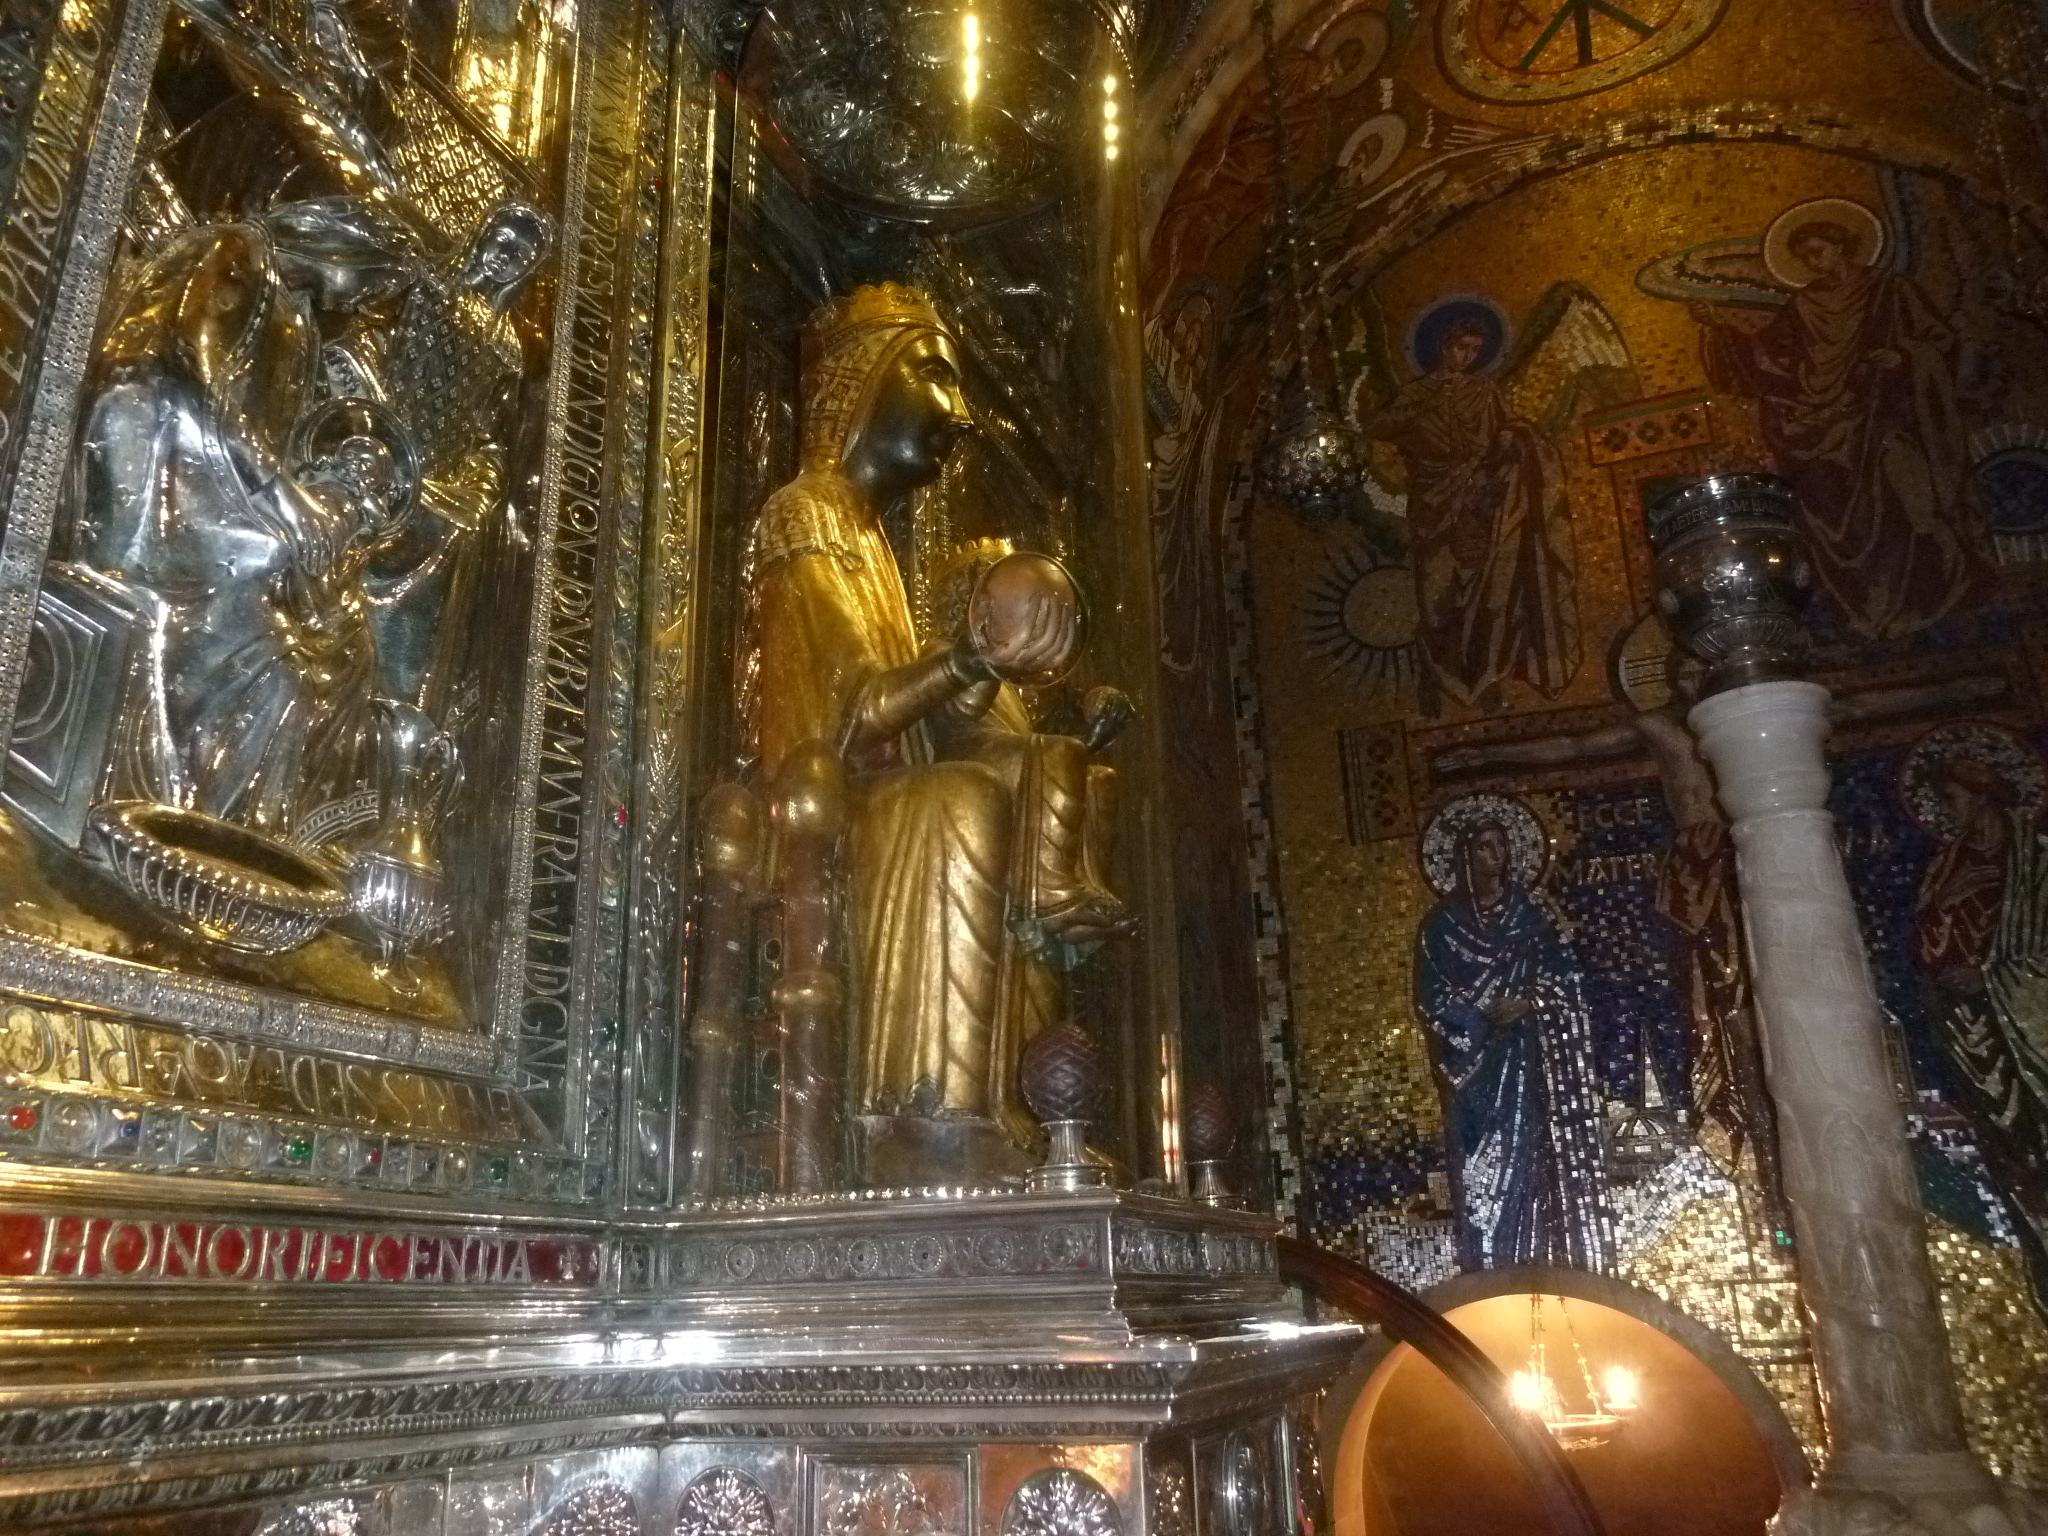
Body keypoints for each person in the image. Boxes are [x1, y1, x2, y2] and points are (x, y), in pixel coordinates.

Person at [747, 283, 1133, 1179]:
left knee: (1042, 773)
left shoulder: (873, 539)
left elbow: (920, 723)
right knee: (962, 799)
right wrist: (969, 658)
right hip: (818, 809)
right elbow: (855, 709)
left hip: (881, 791)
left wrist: (997, 670)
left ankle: (1027, 1108)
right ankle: (933, 1122)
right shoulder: (806, 513)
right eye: (935, 378)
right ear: (861, 384)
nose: (958, 415)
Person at [1692, 219, 1994, 640]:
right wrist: (1720, 333)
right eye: (1806, 257)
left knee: (1911, 504)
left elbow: (1940, 343)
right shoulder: (1802, 307)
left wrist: (1904, 357)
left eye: (1821, 251)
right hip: (1827, 430)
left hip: (1888, 418)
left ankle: (1943, 605)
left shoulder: (1891, 290)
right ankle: (1866, 618)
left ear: (1843, 246)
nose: (1815, 263)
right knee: (1825, 509)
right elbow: (1772, 360)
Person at [1414, 810, 1614, 1271]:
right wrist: (1480, 1015)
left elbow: (1568, 982)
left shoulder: (1534, 915)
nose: (1495, 855)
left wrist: (1528, 1004)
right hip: (1474, 1072)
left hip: (1531, 1061)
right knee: (1478, 1168)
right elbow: (1432, 998)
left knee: (1530, 1164)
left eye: (1500, 845)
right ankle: (1488, 1270)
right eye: (1483, 847)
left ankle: (1541, 1265)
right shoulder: (1441, 927)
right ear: (1464, 857)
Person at [1357, 317, 1577, 714]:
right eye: (1462, 348)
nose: (1468, 357)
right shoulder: (1416, 392)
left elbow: (1504, 431)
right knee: (1437, 595)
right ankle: (1439, 677)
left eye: (1476, 350)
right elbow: (1377, 427)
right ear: (1444, 347)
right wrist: (1424, 403)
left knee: (1489, 592)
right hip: (1433, 503)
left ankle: (1485, 677)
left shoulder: (1484, 390)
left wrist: (1515, 440)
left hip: (1481, 503)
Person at [1913, 752, 2048, 1310]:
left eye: (1955, 796)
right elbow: (1929, 935)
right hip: (1966, 1019)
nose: (1949, 810)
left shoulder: (2034, 864)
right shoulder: (1946, 866)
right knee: (2007, 1140)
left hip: (2023, 1016)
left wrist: (1992, 975)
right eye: (1943, 800)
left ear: (1982, 791)